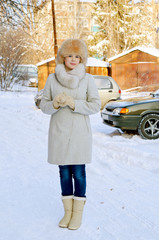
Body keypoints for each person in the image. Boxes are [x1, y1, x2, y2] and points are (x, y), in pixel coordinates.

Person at [40, 39, 101, 230]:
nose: (73, 59)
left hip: (80, 134)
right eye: (70, 55)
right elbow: (43, 106)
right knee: (64, 173)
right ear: (62, 57)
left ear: (82, 58)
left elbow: (95, 105)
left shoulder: (88, 79)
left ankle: (77, 214)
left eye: (77, 56)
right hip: (59, 133)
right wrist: (55, 104)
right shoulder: (52, 79)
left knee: (79, 174)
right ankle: (67, 213)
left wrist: (74, 104)